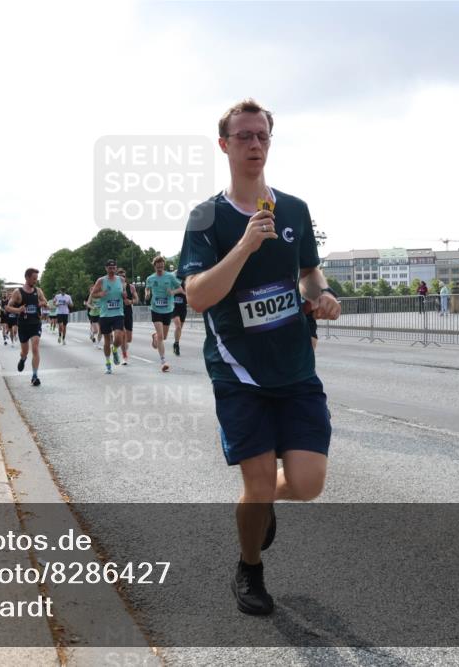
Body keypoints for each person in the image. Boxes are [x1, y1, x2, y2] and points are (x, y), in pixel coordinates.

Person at [178, 98, 341, 616]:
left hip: (294, 368)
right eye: (244, 136)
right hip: (238, 370)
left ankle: (261, 505)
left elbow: (309, 272)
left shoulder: (294, 209)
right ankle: (250, 567)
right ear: (224, 145)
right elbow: (199, 295)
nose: (254, 144)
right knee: (254, 483)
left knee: (310, 484)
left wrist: (322, 293)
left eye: (262, 136)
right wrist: (245, 246)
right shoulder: (207, 217)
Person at [6, 268, 48, 386]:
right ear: (27, 277)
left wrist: (43, 304)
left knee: (35, 348)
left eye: (36, 279)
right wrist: (18, 310)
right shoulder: (17, 292)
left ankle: (35, 376)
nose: (35, 281)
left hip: (35, 324)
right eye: (34, 278)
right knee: (25, 351)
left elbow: (44, 302)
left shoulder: (38, 291)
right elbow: (8, 308)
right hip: (23, 325)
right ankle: (23, 359)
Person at [145, 255, 181, 372]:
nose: (160, 267)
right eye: (158, 266)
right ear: (154, 266)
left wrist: (172, 291)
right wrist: (147, 293)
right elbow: (147, 288)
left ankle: (154, 336)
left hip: (168, 309)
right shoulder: (150, 278)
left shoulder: (170, 277)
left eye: (162, 265)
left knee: (163, 337)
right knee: (161, 336)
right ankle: (163, 361)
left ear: (163, 266)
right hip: (155, 309)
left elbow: (180, 289)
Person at [90, 259, 126, 374]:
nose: (112, 270)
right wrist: (100, 294)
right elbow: (93, 295)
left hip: (118, 313)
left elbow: (124, 293)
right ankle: (108, 363)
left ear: (116, 268)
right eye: (109, 268)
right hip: (105, 315)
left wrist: (124, 295)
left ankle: (114, 349)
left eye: (114, 268)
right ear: (106, 268)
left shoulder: (121, 280)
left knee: (119, 337)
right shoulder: (101, 281)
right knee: (106, 340)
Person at [118, 269, 139, 364]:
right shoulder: (115, 287)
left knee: (129, 338)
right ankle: (124, 356)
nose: (122, 278)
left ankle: (124, 345)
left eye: (124, 276)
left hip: (128, 312)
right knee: (123, 334)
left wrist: (130, 301)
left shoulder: (131, 287)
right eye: (120, 276)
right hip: (118, 313)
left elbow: (137, 299)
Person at [171, 277, 188, 356]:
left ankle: (176, 343)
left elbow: (189, 295)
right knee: (178, 326)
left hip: (183, 308)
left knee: (180, 328)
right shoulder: (173, 283)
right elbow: (169, 292)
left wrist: (183, 292)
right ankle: (177, 345)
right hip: (174, 308)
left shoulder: (186, 283)